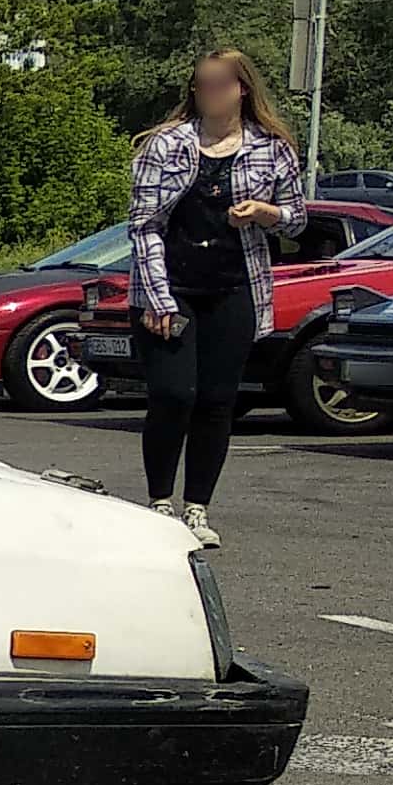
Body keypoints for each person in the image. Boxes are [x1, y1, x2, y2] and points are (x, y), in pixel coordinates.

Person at [120, 51, 304, 550]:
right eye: (201, 85)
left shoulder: (272, 148)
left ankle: (197, 507)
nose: (210, 93)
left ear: (241, 89)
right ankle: (159, 501)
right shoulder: (166, 146)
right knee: (174, 394)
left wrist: (268, 212)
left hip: (234, 287)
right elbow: (144, 225)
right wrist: (158, 300)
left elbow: (297, 218)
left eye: (219, 85)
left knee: (217, 401)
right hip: (171, 287)